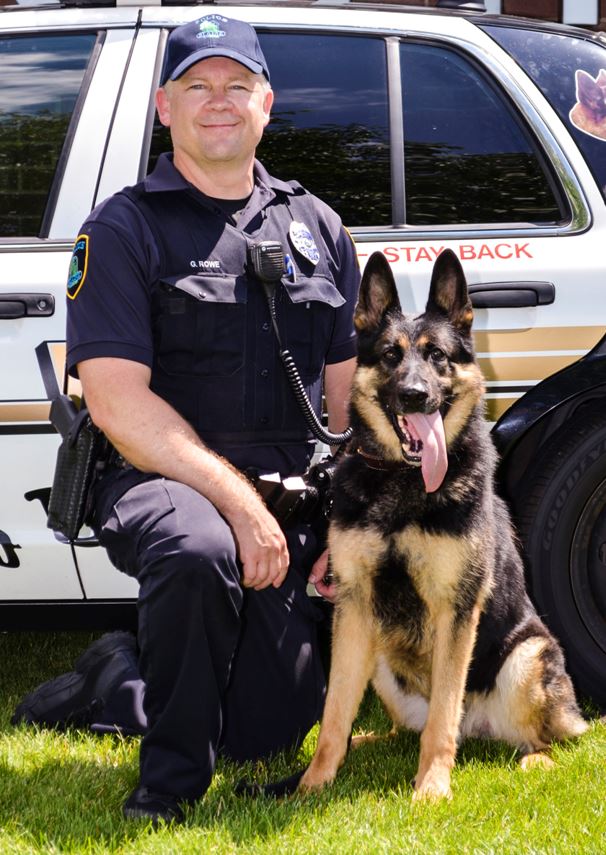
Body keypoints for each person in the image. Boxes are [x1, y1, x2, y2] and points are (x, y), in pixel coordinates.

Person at [52, 15, 358, 825]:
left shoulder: (319, 228)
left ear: (267, 103)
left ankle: (118, 674)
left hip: (286, 497)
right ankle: (167, 786)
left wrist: (345, 521)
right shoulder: (123, 229)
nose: (217, 102)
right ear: (164, 106)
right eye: (196, 86)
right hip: (160, 478)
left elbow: (345, 399)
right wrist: (237, 502)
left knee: (265, 734)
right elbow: (118, 405)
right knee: (199, 547)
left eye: (236, 86)